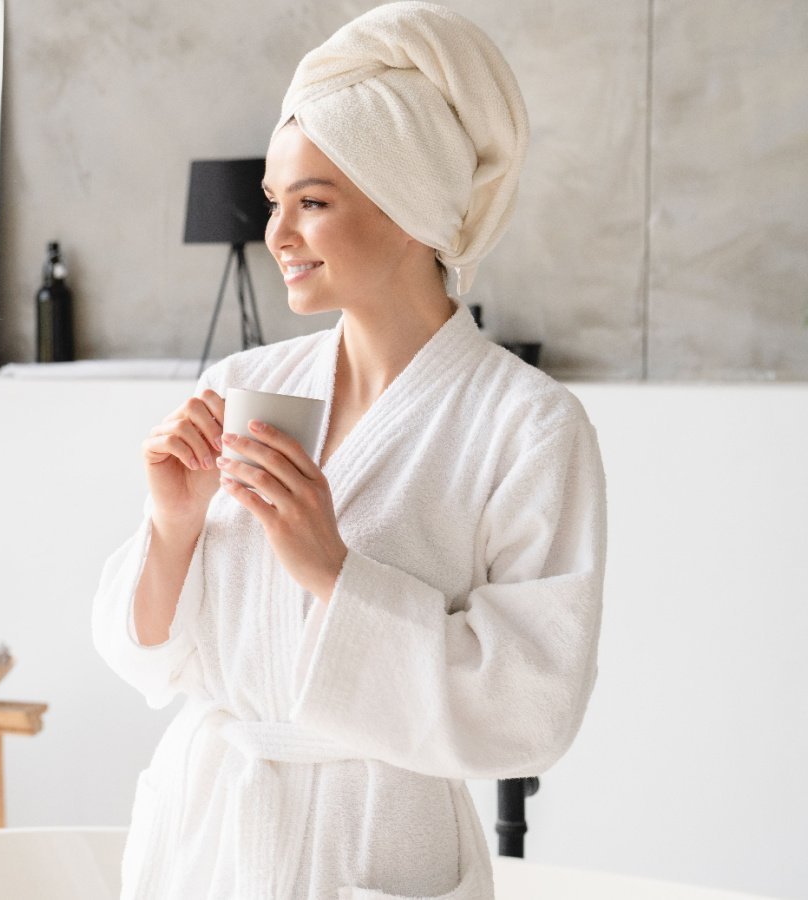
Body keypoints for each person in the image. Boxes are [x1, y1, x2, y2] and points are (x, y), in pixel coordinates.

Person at [90, 4, 607, 899]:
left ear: (409, 210)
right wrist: (170, 526)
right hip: (209, 838)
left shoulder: (527, 425)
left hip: (374, 845)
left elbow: (534, 705)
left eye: (313, 203)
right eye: (274, 205)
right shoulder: (251, 380)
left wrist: (335, 571)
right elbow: (149, 660)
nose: (278, 235)